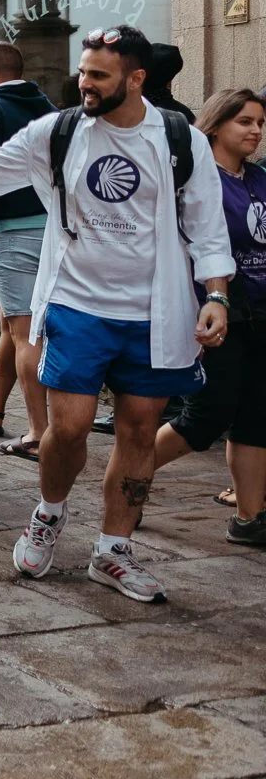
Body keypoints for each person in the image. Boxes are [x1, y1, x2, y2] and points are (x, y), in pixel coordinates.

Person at [0, 25, 233, 604]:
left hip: (156, 313)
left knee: (136, 431)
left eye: (98, 75)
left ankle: (113, 550)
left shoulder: (179, 139)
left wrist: (217, 294)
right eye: (82, 71)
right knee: (69, 428)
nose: (84, 83)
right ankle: (49, 513)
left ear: (135, 79)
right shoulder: (61, 131)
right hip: (78, 305)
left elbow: (207, 225)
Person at [126, 88, 266, 545]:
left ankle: (249, 518)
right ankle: (130, 482)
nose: (256, 131)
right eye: (245, 121)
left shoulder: (258, 178)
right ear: (216, 123)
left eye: (260, 123)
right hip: (214, 311)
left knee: (255, 417)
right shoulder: (194, 178)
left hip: (261, 314)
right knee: (207, 414)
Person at [0, 43, 57, 460]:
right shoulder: (49, 108)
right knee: (10, 323)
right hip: (52, 229)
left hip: (11, 231)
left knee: (25, 333)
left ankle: (41, 432)